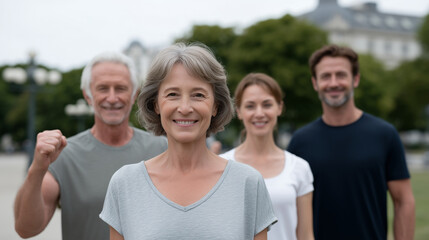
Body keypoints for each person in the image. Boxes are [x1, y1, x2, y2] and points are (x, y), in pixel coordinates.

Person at [99, 42, 277, 240]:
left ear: (215, 106)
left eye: (198, 95)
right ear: (156, 104)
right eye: (173, 94)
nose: (184, 107)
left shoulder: (248, 183)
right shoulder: (125, 184)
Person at [13, 52, 168, 240]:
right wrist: (37, 168)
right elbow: (26, 229)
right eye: (102, 88)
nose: (112, 98)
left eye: (120, 88)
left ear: (134, 94)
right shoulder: (63, 154)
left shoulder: (163, 148)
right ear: (88, 96)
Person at [287, 44, 415, 240]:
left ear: (355, 79)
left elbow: (403, 201)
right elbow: (291, 208)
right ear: (315, 83)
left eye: (341, 75)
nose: (333, 82)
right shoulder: (300, 142)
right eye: (325, 76)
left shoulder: (385, 134)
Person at [220, 73, 314, 240]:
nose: (259, 113)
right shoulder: (221, 166)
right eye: (250, 106)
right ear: (239, 111)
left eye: (267, 105)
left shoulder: (299, 167)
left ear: (279, 107)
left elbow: (306, 235)